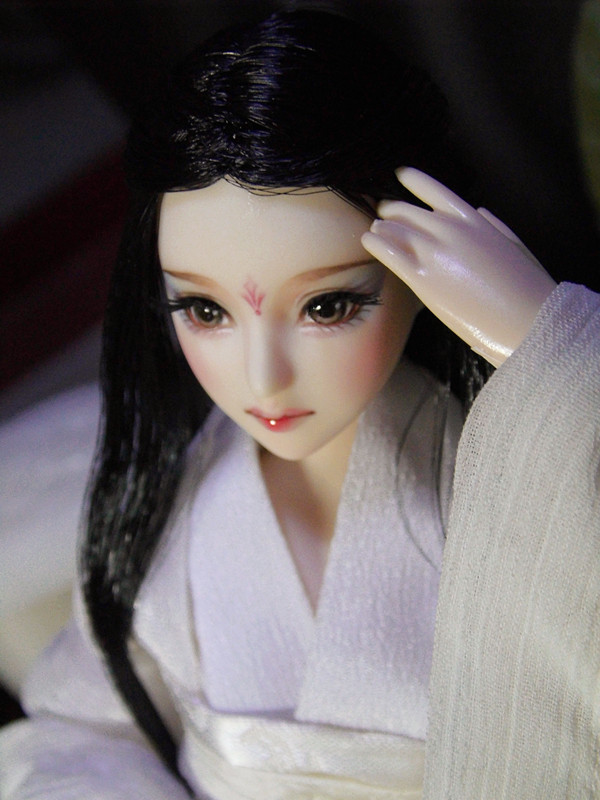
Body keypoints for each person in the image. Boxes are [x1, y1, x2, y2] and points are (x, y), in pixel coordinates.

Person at [1, 8, 599, 799]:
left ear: (420, 279)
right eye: (204, 310)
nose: (264, 377)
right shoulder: (172, 505)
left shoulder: (513, 498)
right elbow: (87, 724)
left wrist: (555, 357)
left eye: (327, 306)